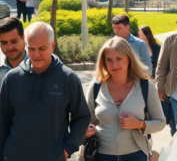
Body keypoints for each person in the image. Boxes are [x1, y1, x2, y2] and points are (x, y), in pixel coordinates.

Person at [0, 22, 90, 161]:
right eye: (31, 49)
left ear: (52, 46)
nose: (36, 55)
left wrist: (68, 148)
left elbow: (82, 117)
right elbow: (3, 121)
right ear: (25, 44)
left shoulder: (68, 78)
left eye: (42, 48)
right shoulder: (12, 78)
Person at [84, 37, 166, 161]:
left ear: (129, 59)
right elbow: (85, 120)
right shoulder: (96, 86)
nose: (114, 65)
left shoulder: (145, 86)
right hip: (101, 155)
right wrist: (86, 129)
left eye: (119, 59)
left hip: (136, 155)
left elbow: (160, 122)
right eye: (109, 60)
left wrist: (139, 124)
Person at [0, 17, 26, 86]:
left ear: (23, 39)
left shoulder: (38, 65)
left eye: (14, 41)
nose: (10, 47)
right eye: (4, 43)